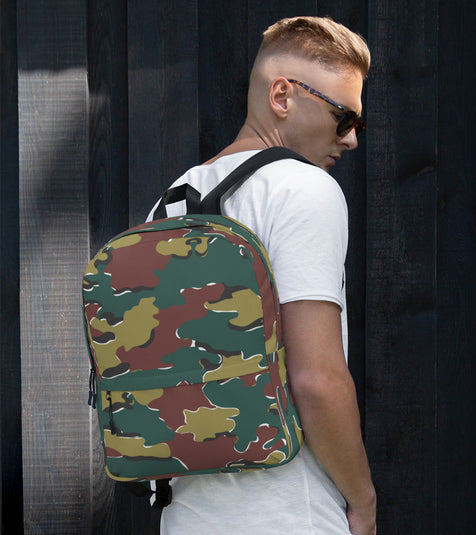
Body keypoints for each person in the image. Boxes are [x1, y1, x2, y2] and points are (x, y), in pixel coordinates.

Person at [147, 16, 376, 535]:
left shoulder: (169, 203)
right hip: (289, 514)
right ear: (282, 96)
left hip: (186, 517)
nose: (352, 139)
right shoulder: (303, 188)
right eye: (344, 117)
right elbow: (316, 379)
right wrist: (364, 501)